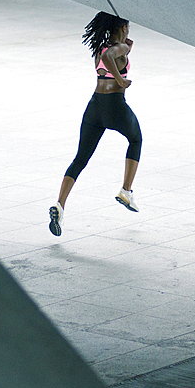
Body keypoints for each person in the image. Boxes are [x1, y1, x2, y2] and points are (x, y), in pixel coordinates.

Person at [48, 12, 142, 236]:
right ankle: (126, 190)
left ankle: (60, 205)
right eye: (127, 28)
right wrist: (121, 79)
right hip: (115, 107)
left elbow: (108, 57)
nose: (129, 31)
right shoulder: (118, 49)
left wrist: (124, 52)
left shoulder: (98, 47)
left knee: (80, 158)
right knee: (135, 139)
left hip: (94, 108)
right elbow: (113, 56)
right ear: (122, 28)